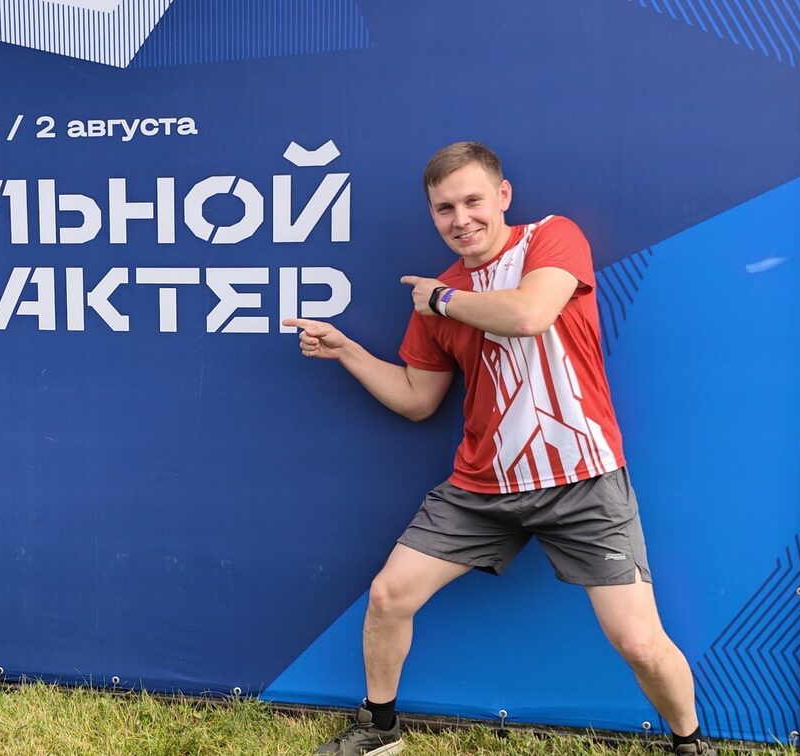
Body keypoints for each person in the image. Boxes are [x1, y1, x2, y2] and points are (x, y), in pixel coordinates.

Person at [287, 143, 712, 756]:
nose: (461, 219)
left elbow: (530, 314)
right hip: (481, 490)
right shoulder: (438, 299)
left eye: (472, 201)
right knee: (387, 596)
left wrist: (441, 299)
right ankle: (379, 730)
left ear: (503, 195)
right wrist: (347, 351)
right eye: (444, 208)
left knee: (640, 643)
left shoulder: (551, 238)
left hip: (584, 483)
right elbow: (417, 399)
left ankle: (690, 745)